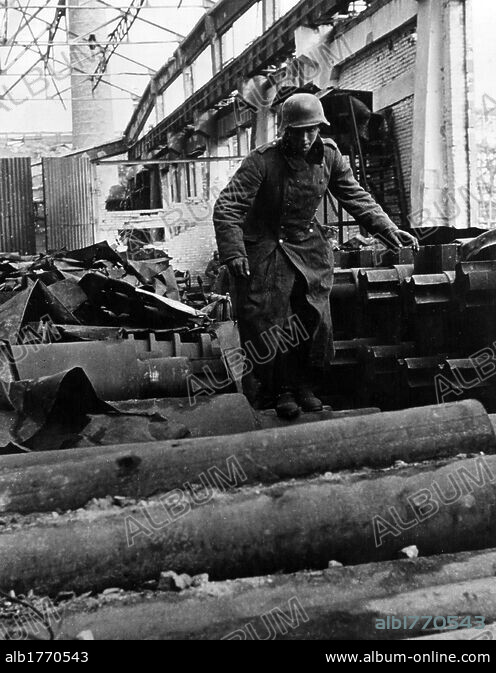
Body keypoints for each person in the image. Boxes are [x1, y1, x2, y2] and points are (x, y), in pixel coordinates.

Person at [213, 92, 418, 419]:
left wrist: (388, 229)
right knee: (268, 320)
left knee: (313, 319)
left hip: (307, 245)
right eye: (298, 131)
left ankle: (304, 385)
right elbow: (227, 207)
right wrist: (234, 252)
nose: (306, 138)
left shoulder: (331, 156)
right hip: (266, 246)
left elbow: (356, 196)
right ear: (284, 131)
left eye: (312, 130)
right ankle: (278, 390)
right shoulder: (261, 161)